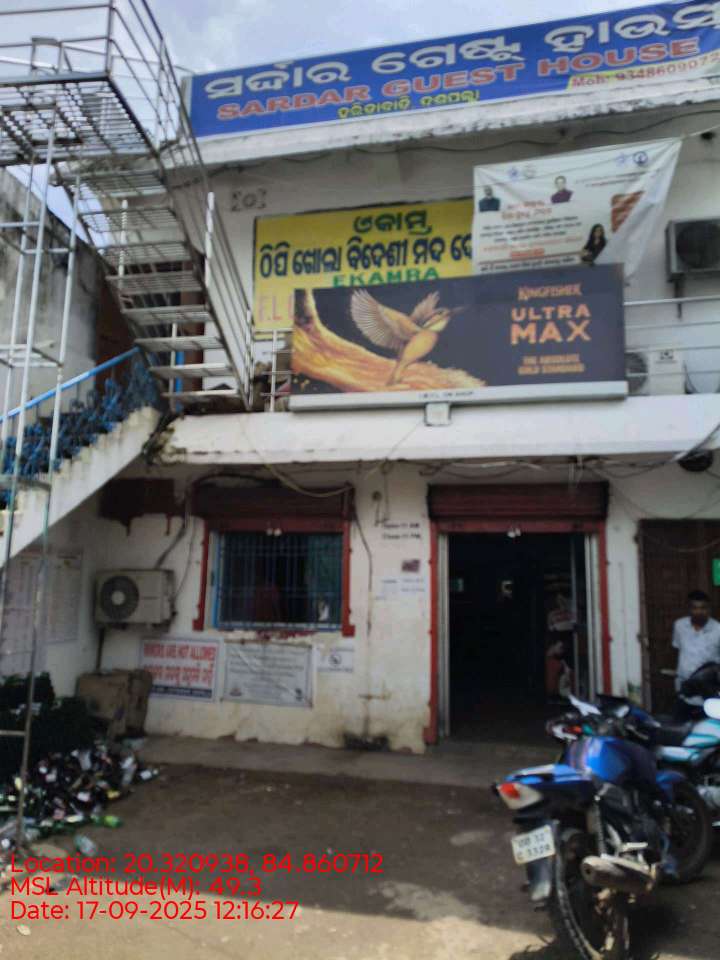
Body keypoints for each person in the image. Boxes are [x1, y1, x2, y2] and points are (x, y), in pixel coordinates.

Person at [672, 589, 720, 721]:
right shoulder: (679, 626)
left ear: (709, 609)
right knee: (680, 728)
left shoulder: (718, 630)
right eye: (694, 608)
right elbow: (677, 650)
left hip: (708, 693)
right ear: (689, 609)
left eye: (703, 608)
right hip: (685, 690)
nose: (699, 611)